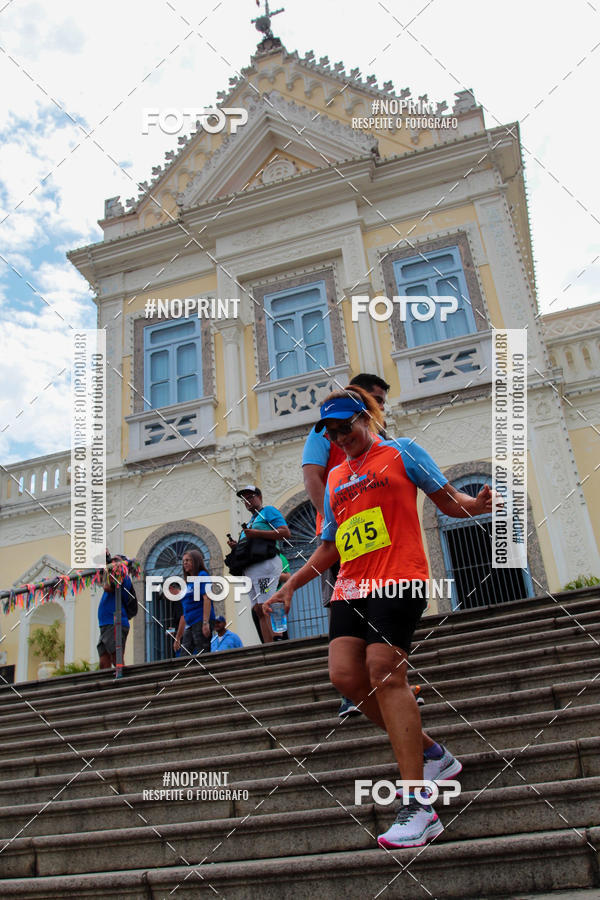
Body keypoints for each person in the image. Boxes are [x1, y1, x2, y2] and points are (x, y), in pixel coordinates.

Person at [266, 386, 496, 849]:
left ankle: (419, 805)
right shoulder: (333, 479)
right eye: (330, 432)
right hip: (352, 583)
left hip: (399, 575)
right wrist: (292, 584)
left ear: (365, 418)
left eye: (345, 426)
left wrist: (475, 506)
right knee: (346, 677)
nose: (339, 436)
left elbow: (447, 499)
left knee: (384, 674)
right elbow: (330, 546)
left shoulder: (402, 452)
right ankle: (431, 751)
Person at [303, 373, 395, 716]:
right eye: (377, 399)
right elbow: (313, 475)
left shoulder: (383, 437)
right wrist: (334, 522)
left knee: (383, 610)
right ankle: (351, 691)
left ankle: (389, 682)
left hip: (382, 536)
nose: (382, 406)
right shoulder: (327, 432)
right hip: (344, 534)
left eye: (383, 401)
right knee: (349, 607)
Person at [227, 485, 291, 644]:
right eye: (244, 499)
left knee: (265, 605)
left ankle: (277, 641)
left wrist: (257, 533)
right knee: (257, 609)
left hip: (265, 565)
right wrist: (237, 545)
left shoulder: (268, 511)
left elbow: (285, 533)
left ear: (259, 497)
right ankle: (267, 644)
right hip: (251, 568)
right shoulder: (250, 522)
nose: (247, 501)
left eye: (250, 497)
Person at [173, 549, 214, 657]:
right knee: (184, 656)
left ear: (196, 561)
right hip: (190, 624)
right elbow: (184, 613)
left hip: (200, 620)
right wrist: (177, 637)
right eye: (183, 561)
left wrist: (205, 623)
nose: (185, 563)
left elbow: (207, 598)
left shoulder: (202, 575)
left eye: (188, 560)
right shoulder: (189, 583)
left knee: (202, 654)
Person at [97, 558, 134, 670]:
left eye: (115, 562)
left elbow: (107, 587)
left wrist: (106, 570)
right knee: (104, 661)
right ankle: (107, 686)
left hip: (114, 622)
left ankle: (124, 683)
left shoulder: (123, 577)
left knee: (116, 658)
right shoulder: (110, 576)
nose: (112, 564)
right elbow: (100, 582)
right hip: (105, 624)